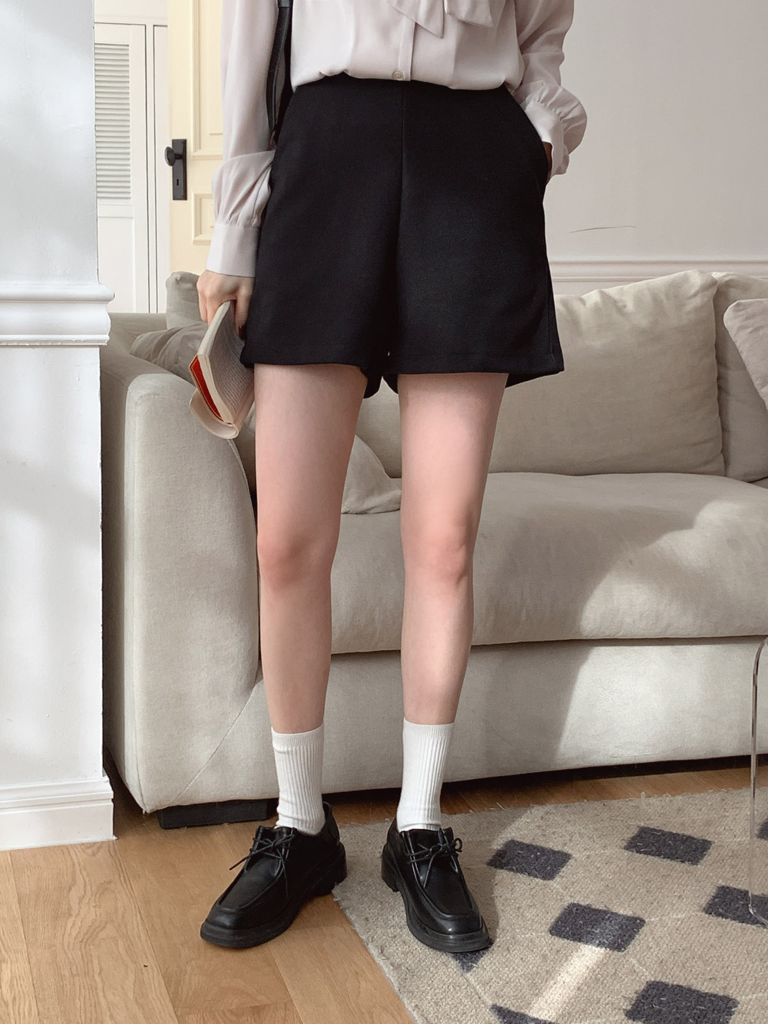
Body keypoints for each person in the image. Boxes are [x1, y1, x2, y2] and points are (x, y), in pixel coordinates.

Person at [197, 0, 587, 954]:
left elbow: (541, 30)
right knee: (288, 540)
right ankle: (300, 826)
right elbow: (252, 42)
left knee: (443, 542)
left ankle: (419, 825)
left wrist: (536, 134)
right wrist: (234, 235)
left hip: (473, 164)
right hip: (325, 157)